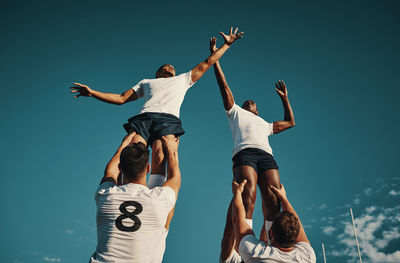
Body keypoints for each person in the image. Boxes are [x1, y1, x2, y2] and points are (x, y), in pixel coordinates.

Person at [70, 27, 243, 188]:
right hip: (145, 117)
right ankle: (127, 191)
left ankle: (151, 196)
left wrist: (226, 45)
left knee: (159, 155)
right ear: (157, 74)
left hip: (167, 119)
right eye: (165, 66)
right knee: (132, 151)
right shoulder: (147, 82)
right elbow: (121, 98)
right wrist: (93, 93)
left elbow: (208, 62)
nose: (170, 67)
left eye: (173, 67)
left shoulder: (183, 79)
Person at [210, 37, 295, 235]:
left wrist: (285, 99)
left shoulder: (265, 124)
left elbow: (290, 122)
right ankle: (244, 243)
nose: (249, 101)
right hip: (245, 154)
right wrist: (215, 58)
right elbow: (224, 86)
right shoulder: (235, 111)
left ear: (257, 110)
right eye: (246, 101)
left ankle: (270, 242)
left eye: (253, 102)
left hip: (266, 156)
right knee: (248, 196)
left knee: (274, 201)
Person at [89, 132, 181, 263]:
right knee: (165, 213)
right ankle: (160, 140)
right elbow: (174, 178)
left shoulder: (106, 195)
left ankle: (150, 139)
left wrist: (124, 145)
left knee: (164, 211)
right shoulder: (105, 194)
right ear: (147, 168)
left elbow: (110, 172)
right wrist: (172, 149)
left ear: (121, 168)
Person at [231, 181, 316, 262]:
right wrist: (284, 199)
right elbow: (238, 220)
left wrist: (237, 193)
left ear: (271, 233)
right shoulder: (307, 257)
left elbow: (239, 220)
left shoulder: (255, 253)